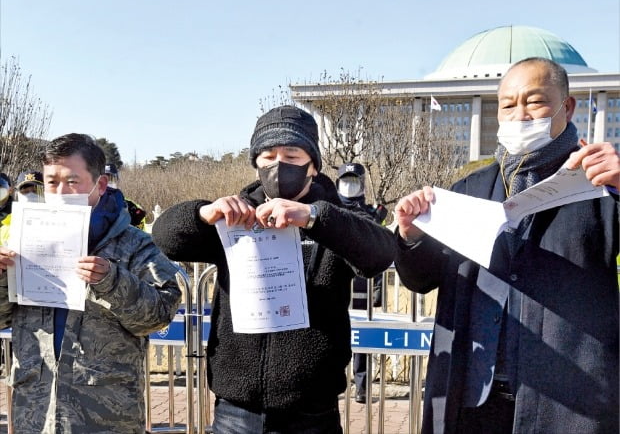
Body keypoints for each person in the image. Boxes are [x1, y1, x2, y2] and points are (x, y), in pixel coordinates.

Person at [393, 57, 619, 434]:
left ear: (567, 106)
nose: (520, 115)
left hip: (570, 406)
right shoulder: (469, 190)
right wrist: (409, 234)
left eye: (534, 101)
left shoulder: (599, 188)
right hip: (472, 401)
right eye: (508, 104)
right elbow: (421, 279)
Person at [152, 105, 396, 433]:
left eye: (292, 156)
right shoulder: (236, 216)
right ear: (255, 165)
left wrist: (314, 218)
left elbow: (379, 253)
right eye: (267, 156)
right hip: (235, 410)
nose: (278, 165)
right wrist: (202, 214)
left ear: (313, 166)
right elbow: (165, 237)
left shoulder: (335, 217)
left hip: (312, 412)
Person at [0, 133, 182, 433]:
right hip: (35, 411)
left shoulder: (133, 244)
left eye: (72, 181)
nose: (60, 192)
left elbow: (161, 312)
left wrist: (112, 281)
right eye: (52, 182)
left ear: (99, 185)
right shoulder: (20, 238)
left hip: (105, 415)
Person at [336, 162, 387, 404]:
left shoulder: (371, 214)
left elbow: (379, 252)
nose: (349, 185)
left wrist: (377, 289)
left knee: (363, 339)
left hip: (361, 287)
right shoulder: (329, 209)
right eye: (345, 180)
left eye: (354, 181)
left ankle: (362, 387)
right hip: (333, 288)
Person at [105, 163, 147, 229]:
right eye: (104, 180)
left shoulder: (131, 206)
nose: (108, 184)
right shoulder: (89, 206)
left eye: (111, 179)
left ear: (117, 181)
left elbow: (142, 233)